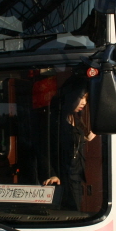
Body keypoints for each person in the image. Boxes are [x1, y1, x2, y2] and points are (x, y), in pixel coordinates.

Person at [42, 82, 96, 210]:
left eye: (86, 99)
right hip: (63, 179)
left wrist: (87, 139)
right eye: (81, 98)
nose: (84, 103)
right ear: (71, 96)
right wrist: (52, 173)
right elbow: (46, 149)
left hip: (76, 177)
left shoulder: (75, 118)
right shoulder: (55, 121)